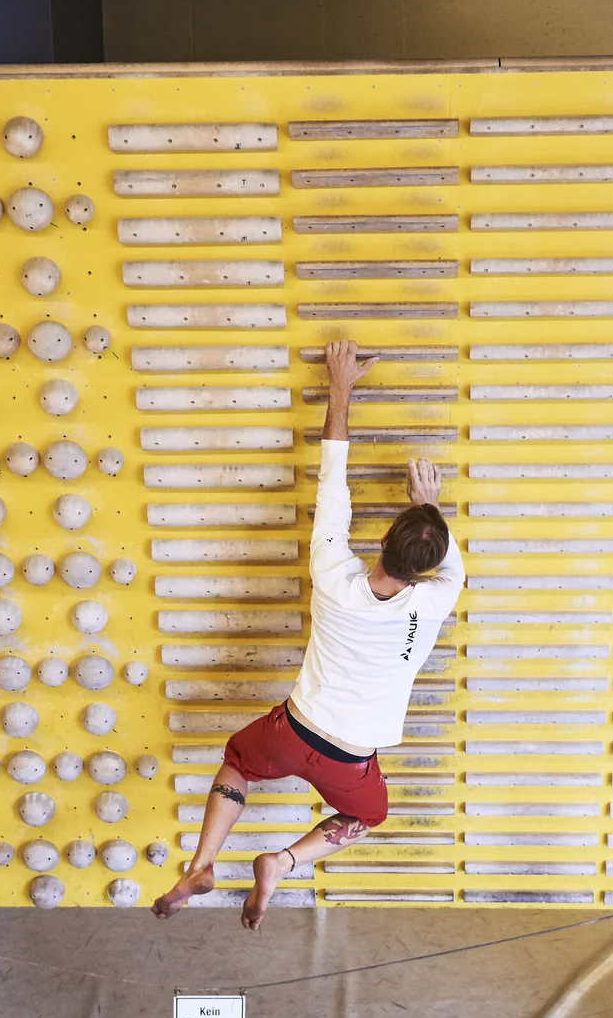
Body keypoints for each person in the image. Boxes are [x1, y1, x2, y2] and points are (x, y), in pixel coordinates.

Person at [153, 339, 465, 929]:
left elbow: (334, 474)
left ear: (381, 541)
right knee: (367, 817)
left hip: (293, 728)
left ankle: (202, 862)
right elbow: (451, 566)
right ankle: (283, 861)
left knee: (237, 764)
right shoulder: (434, 600)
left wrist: (342, 386)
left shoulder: (331, 574)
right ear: (427, 567)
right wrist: (431, 507)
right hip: (348, 760)